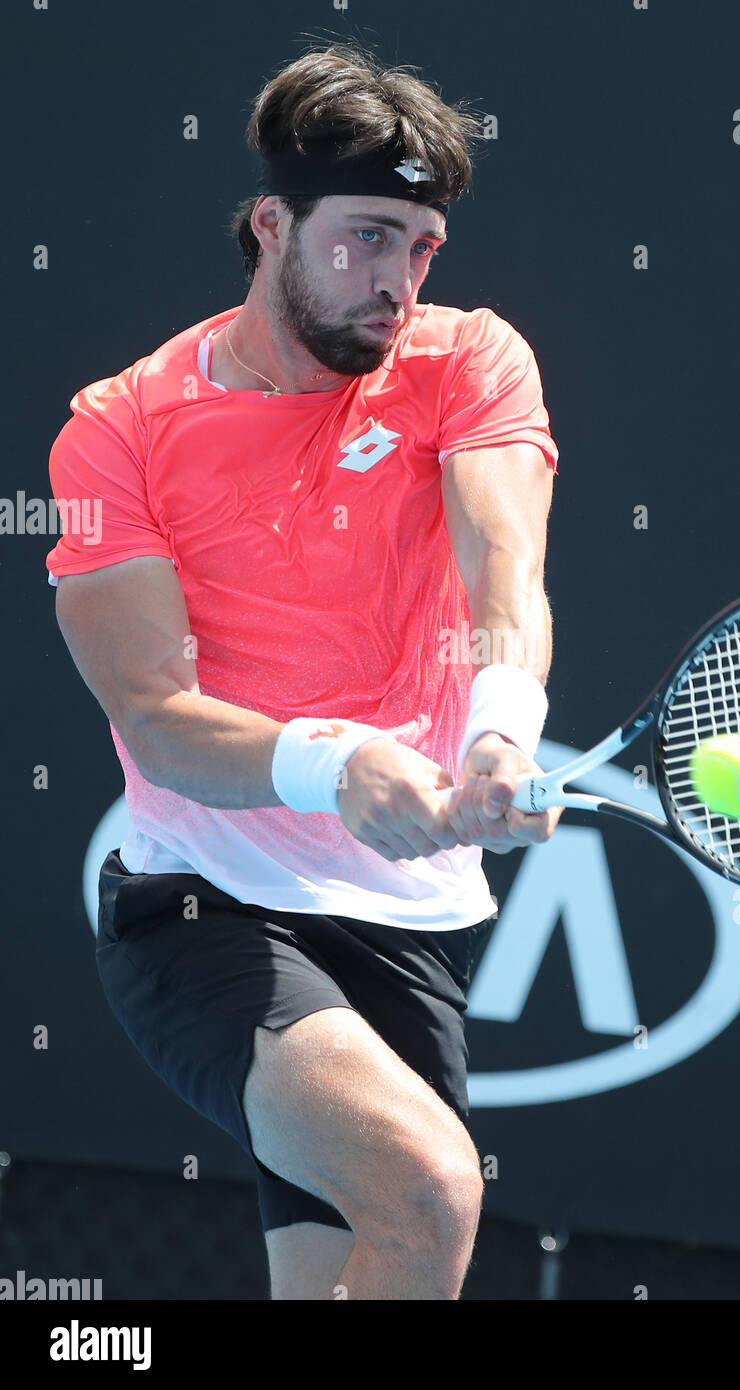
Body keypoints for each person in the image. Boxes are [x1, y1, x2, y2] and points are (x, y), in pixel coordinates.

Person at [45, 41, 561, 1300]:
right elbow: (156, 721)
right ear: (273, 224)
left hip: (411, 912)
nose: (399, 279)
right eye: (369, 236)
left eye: (423, 245)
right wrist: (333, 760)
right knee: (432, 1189)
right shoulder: (121, 429)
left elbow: (507, 574)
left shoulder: (472, 360)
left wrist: (498, 728)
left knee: (372, 1268)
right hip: (202, 902)